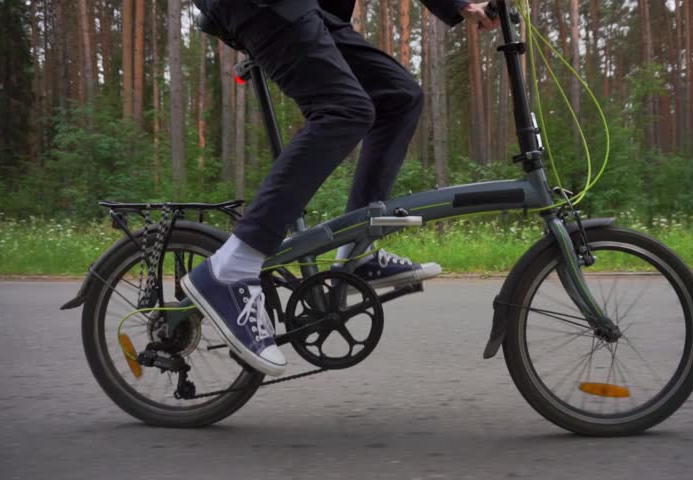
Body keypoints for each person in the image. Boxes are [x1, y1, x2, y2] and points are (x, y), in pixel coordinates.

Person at [183, 0, 499, 377]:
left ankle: (355, 252)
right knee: (345, 109)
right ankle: (232, 266)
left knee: (398, 97)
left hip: (307, 8)